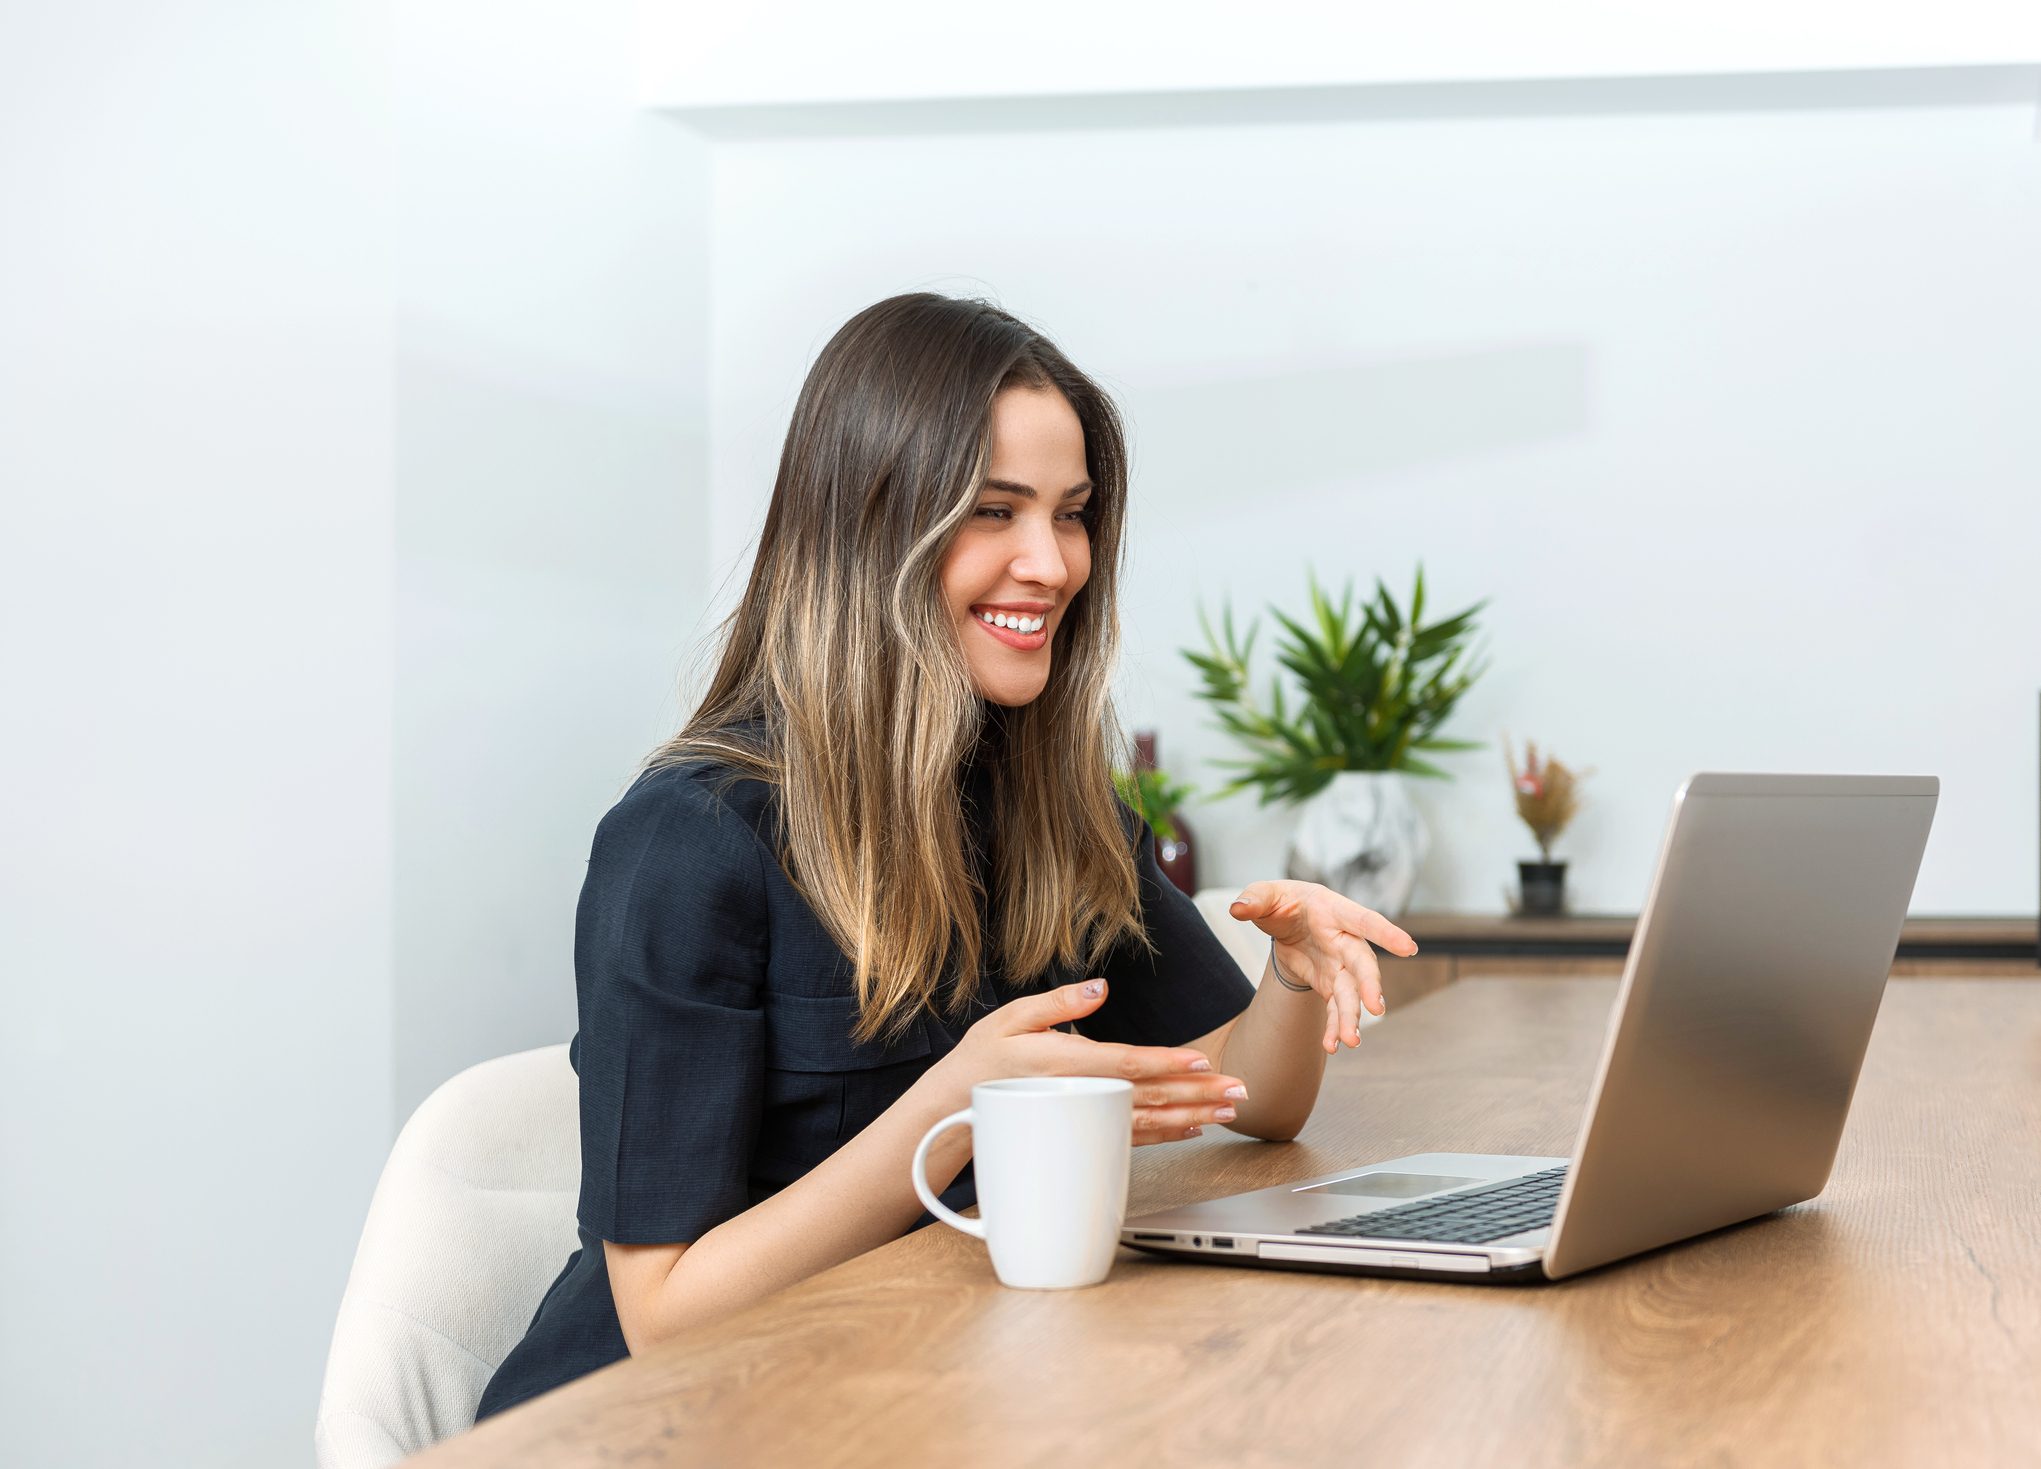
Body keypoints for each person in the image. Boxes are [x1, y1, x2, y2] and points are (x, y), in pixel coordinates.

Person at [474, 291, 1417, 1420]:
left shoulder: (1042, 801)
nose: (1052, 561)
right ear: (871, 529)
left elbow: (1244, 1094)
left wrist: (1291, 980)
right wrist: (961, 1101)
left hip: (907, 1385)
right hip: (655, 1423)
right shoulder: (690, 840)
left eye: (1069, 514)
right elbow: (666, 1313)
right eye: (994, 511)